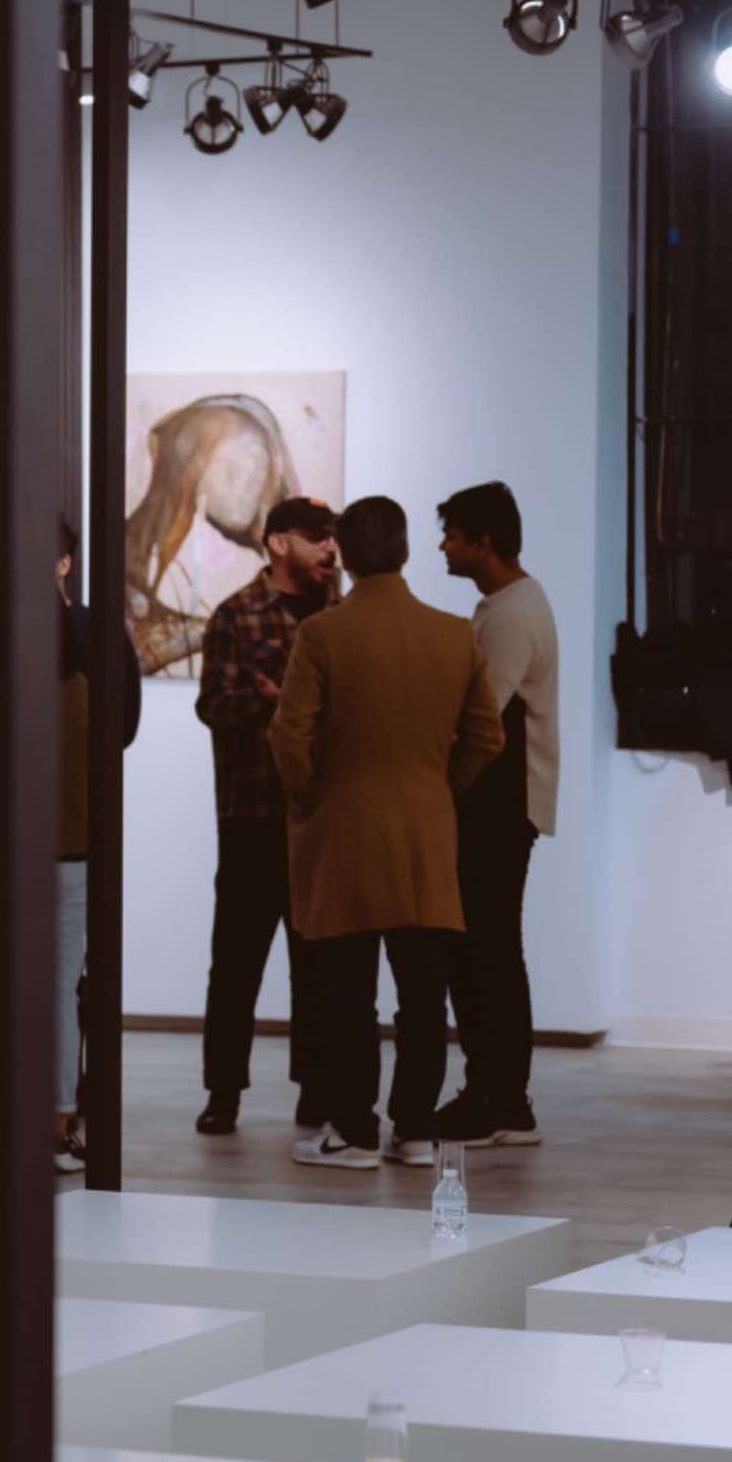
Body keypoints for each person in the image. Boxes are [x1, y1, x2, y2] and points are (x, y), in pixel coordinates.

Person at [275, 496, 502, 1169]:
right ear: (404, 550)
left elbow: (289, 734)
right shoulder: (453, 633)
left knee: (347, 994)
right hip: (426, 833)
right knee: (423, 994)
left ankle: (354, 1130)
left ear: (343, 551)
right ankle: (416, 1129)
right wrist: (440, 784)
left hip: (344, 832)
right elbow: (487, 735)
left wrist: (310, 793)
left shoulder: (323, 634)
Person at [0, 526, 143, 1177]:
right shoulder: (99, 648)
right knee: (58, 990)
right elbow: (122, 733)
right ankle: (55, 1129)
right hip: (73, 843)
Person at [192, 498, 339, 1140]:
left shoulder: (341, 614)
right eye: (316, 538)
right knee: (236, 964)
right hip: (253, 815)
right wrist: (279, 710)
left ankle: (316, 1092)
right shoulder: (236, 615)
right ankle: (223, 1094)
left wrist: (298, 707)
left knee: (319, 966)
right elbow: (212, 706)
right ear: (278, 543)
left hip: (323, 818)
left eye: (332, 538)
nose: (330, 550)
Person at [437, 483, 558, 1151]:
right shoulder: (507, 603)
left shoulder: (511, 614)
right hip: (500, 804)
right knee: (487, 949)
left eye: (452, 534)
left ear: (484, 541)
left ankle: (499, 1096)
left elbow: (483, 716)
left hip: (496, 806)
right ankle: (495, 1092)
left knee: (485, 950)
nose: (443, 547)